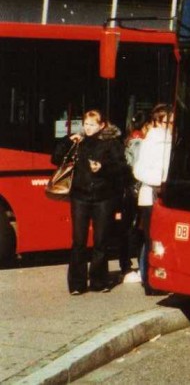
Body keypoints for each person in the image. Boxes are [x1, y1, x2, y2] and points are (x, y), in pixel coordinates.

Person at [52, 109, 126, 294]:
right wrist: (68, 140)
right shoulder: (79, 142)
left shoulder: (111, 144)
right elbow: (55, 158)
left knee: (101, 241)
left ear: (102, 125)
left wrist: (103, 167)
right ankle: (77, 284)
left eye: (92, 124)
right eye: (86, 124)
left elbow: (122, 169)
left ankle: (98, 281)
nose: (88, 128)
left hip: (103, 198)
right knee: (78, 241)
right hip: (80, 196)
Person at [133, 104, 173, 294]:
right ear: (158, 121)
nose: (171, 126)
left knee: (162, 240)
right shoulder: (151, 141)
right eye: (168, 122)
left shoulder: (174, 140)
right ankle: (149, 281)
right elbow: (138, 170)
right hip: (151, 195)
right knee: (150, 238)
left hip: (168, 194)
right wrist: (159, 181)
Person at [117, 112, 147, 284]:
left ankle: (125, 266)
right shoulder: (140, 143)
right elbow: (137, 169)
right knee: (137, 230)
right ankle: (133, 266)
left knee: (127, 228)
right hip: (136, 190)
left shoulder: (127, 141)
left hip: (127, 191)